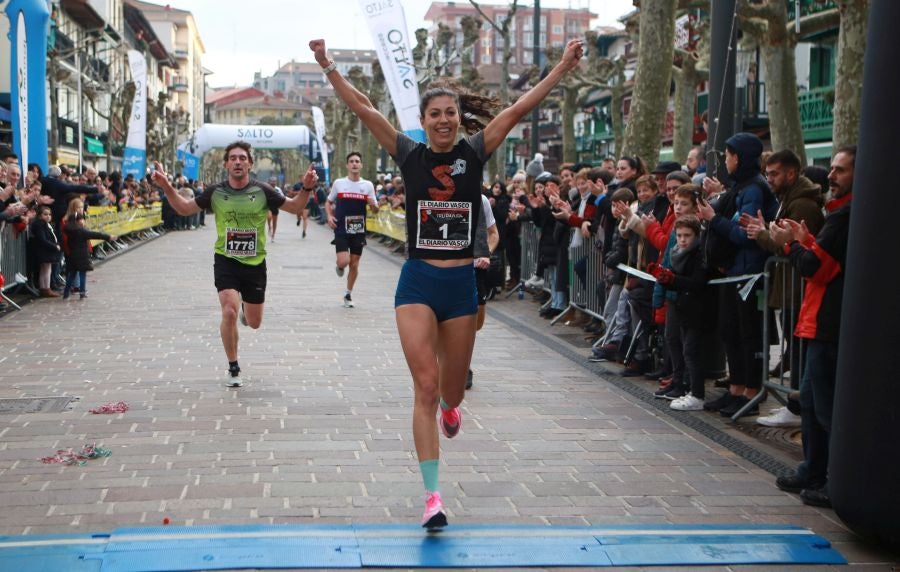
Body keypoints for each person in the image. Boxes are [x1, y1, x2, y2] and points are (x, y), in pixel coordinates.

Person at [310, 36, 584, 529]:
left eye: (449, 113)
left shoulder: (476, 152)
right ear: (423, 119)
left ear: (459, 118)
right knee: (426, 385)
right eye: (433, 113)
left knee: (451, 394)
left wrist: (562, 66)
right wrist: (328, 64)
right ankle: (432, 496)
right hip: (416, 283)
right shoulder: (408, 154)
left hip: (460, 289)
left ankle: (452, 411)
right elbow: (366, 107)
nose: (442, 120)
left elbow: (520, 107)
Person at [151, 144, 318, 388]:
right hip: (226, 260)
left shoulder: (263, 191)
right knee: (228, 310)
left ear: (250, 163)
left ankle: (245, 311)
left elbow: (294, 207)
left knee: (254, 322)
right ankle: (233, 365)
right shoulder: (215, 192)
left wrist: (307, 187)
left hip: (255, 264)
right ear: (226, 164)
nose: (238, 162)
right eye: (233, 158)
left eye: (242, 158)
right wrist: (166, 186)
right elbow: (185, 209)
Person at [767, 146, 855, 509]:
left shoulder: (844, 217)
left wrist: (791, 246)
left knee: (825, 408)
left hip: (827, 324)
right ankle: (813, 469)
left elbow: (816, 268)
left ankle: (836, 478)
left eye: (841, 170)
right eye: (832, 168)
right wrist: (803, 242)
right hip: (817, 323)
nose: (831, 176)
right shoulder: (837, 214)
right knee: (812, 403)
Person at [325, 151, 378, 308]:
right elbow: (328, 202)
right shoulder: (339, 183)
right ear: (347, 165)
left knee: (354, 264)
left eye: (357, 161)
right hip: (341, 227)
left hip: (359, 229)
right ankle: (340, 266)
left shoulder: (367, 185)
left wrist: (373, 204)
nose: (355, 163)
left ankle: (348, 294)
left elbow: (376, 210)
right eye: (352, 161)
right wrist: (329, 216)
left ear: (361, 165)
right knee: (344, 261)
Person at [61, 198, 116, 299]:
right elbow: (95, 234)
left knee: (71, 274)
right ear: (78, 221)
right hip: (82, 256)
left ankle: (66, 292)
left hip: (72, 255)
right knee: (82, 274)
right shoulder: (81, 231)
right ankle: (82, 291)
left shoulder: (68, 229)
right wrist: (108, 237)